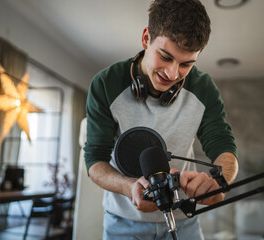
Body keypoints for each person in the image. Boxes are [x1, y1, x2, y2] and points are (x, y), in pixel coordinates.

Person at [84, 0, 239, 239]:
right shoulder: (106, 84)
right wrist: (129, 187)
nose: (172, 74)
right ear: (146, 39)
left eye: (186, 64)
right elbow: (95, 161)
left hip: (183, 220)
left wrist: (220, 183)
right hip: (123, 224)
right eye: (165, 57)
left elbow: (223, 145)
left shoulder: (204, 87)